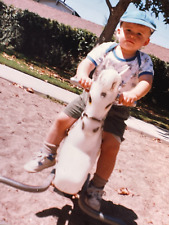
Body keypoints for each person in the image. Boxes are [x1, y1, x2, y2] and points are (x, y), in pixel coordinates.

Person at [24, 10, 156, 211]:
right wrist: (83, 75)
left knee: (112, 145)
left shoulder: (144, 61)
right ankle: (48, 153)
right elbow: (86, 64)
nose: (132, 36)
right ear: (119, 31)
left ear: (146, 42)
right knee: (62, 120)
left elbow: (146, 82)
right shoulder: (106, 48)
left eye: (139, 34)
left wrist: (133, 95)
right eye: (128, 30)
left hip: (117, 108)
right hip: (90, 98)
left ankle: (96, 187)